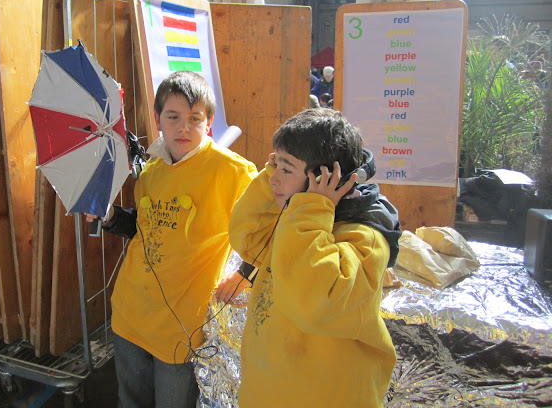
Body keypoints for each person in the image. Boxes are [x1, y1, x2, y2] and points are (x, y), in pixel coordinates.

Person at [87, 71, 257, 408]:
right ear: (158, 119)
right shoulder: (151, 171)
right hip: (130, 313)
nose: (183, 128)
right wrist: (109, 217)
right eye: (173, 117)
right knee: (130, 402)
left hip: (182, 327)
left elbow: (271, 228)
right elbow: (145, 228)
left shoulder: (233, 172)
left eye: (194, 118)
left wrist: (246, 274)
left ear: (209, 122)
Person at [229, 108, 400, 407]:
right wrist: (277, 178)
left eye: (286, 169)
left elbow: (316, 303)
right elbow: (248, 238)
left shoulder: (364, 237)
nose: (273, 179)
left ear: (326, 179)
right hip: (266, 394)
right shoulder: (297, 218)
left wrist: (312, 207)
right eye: (276, 165)